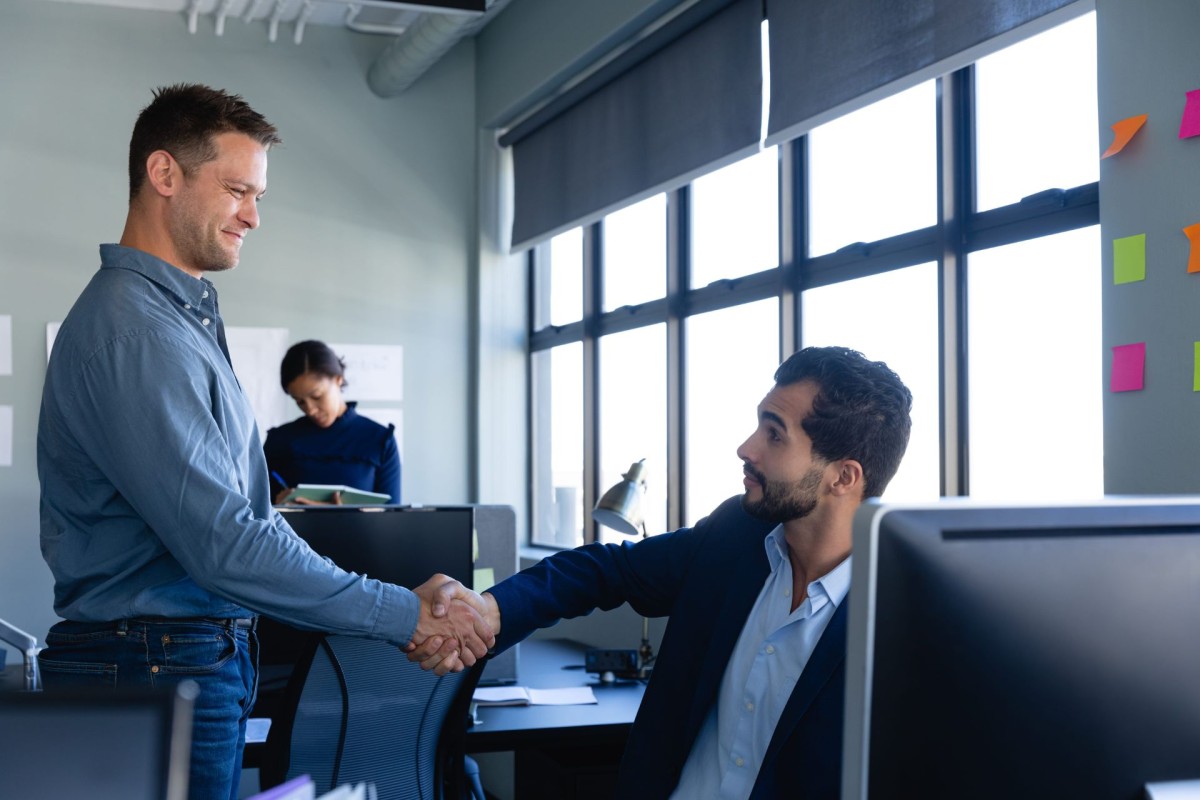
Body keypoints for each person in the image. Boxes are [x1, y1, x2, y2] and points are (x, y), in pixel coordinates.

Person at [35, 83, 491, 800]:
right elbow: (227, 543)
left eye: (260, 196)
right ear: (164, 176)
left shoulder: (174, 321)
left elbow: (240, 525)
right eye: (237, 190)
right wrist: (405, 612)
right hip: (153, 663)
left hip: (176, 657)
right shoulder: (137, 333)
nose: (253, 215)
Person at [411, 345, 913, 799]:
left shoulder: (904, 623)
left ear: (842, 477)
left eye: (774, 435)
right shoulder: (734, 535)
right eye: (759, 425)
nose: (747, 448)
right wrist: (487, 610)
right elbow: (607, 569)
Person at [264, 339, 401, 504]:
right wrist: (277, 507)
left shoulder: (380, 440)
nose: (310, 409)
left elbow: (392, 517)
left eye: (317, 396)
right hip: (290, 531)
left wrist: (338, 516)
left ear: (338, 379)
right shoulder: (279, 440)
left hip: (359, 531)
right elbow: (256, 513)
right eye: (299, 401)